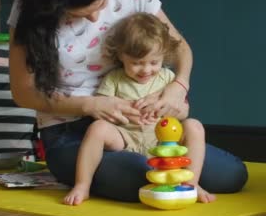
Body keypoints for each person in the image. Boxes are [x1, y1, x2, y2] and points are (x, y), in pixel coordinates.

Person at [7, 0, 248, 203]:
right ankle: (97, 173)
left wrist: (178, 87)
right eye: (79, 14)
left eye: (99, 6)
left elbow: (180, 49)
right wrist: (90, 104)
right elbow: (23, 93)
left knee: (233, 175)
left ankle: (170, 173)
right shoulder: (28, 9)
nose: (95, 19)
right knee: (148, 177)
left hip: (147, 127)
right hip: (71, 132)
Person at [64, 12, 212, 205]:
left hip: (163, 141)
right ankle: (82, 185)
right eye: (136, 63)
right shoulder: (114, 79)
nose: (146, 70)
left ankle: (190, 185)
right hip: (126, 138)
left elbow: (183, 112)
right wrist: (124, 115)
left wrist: (164, 108)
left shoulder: (166, 78)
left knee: (194, 126)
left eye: (153, 62)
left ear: (163, 57)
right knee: (97, 128)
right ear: (121, 56)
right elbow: (103, 112)